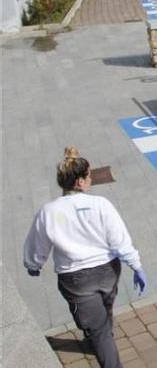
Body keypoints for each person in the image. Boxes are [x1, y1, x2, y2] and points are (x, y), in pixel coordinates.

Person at [24, 147, 147, 368]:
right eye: (89, 176)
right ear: (80, 182)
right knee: (106, 308)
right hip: (109, 272)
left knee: (98, 333)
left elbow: (37, 245)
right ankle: (102, 333)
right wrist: (136, 266)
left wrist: (34, 264)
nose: (91, 179)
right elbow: (120, 241)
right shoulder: (102, 204)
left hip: (76, 280)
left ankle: (100, 339)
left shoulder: (49, 211)